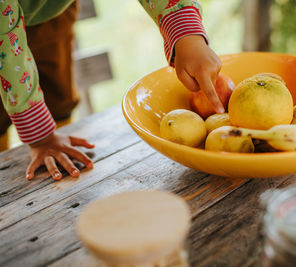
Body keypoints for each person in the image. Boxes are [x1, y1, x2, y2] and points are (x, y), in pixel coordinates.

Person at [0, 0, 223, 180]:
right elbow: (6, 51)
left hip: (52, 13)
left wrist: (185, 30)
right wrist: (40, 137)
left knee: (59, 98)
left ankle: (57, 136)